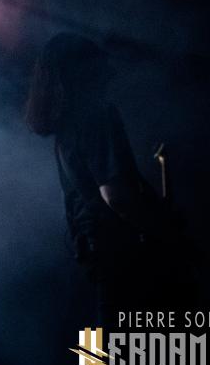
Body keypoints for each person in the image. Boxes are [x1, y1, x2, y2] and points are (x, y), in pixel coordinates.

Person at [24, 33, 190, 329]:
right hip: (124, 254)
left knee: (106, 343)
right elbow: (117, 196)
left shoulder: (67, 125)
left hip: (97, 252)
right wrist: (163, 232)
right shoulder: (97, 116)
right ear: (83, 69)